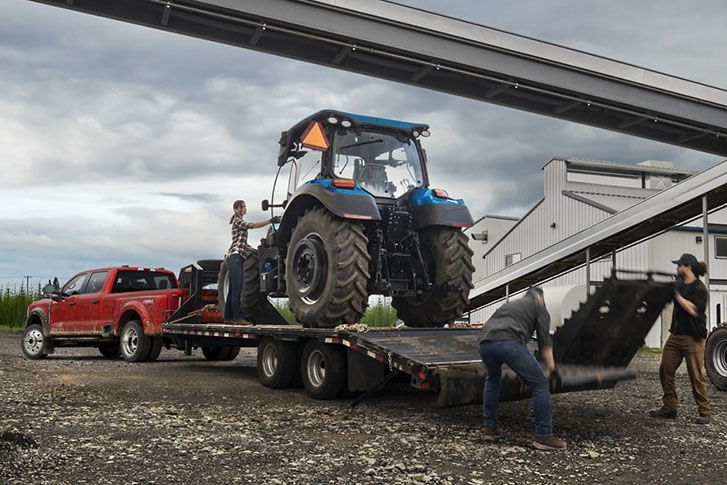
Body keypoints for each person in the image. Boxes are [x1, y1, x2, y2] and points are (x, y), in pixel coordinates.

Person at [478, 287, 566, 450]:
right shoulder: (539, 307)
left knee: (492, 380)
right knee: (540, 384)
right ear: (541, 298)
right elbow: (544, 341)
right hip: (510, 342)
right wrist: (552, 369)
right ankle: (543, 436)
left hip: (485, 343)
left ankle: (489, 428)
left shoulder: (509, 305)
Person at [650, 253, 711, 424]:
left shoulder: (699, 289)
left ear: (688, 267)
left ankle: (704, 411)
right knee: (665, 369)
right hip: (675, 336)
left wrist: (676, 294)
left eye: (679, 265)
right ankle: (670, 407)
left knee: (696, 376)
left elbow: (693, 310)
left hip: (693, 338)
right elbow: (666, 292)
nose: (677, 268)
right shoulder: (679, 284)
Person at [224, 199, 280, 323]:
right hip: (235, 257)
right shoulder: (238, 221)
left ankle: (228, 318)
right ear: (237, 209)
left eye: (245, 206)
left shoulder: (238, 221)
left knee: (233, 289)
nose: (245, 208)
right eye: (243, 207)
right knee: (237, 289)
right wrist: (270, 221)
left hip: (235, 257)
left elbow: (241, 241)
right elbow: (253, 226)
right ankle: (237, 318)